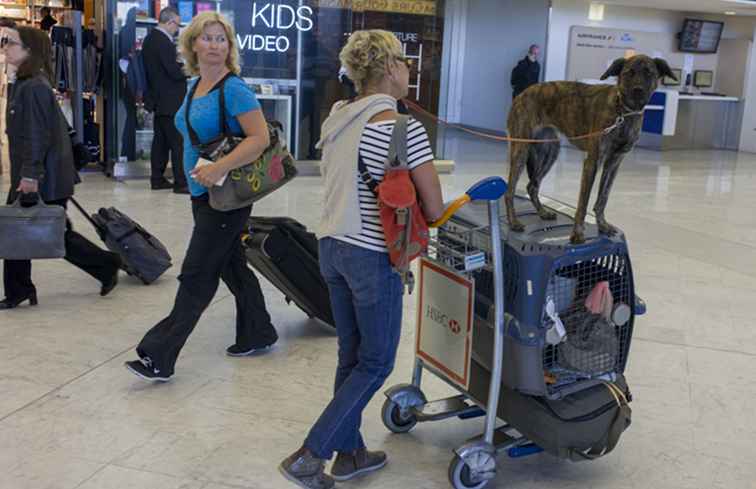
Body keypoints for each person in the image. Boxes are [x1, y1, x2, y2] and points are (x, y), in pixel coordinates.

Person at [279, 30, 444, 488]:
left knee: (351, 356)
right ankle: (311, 454)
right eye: (405, 63)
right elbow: (432, 207)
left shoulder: (338, 119)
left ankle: (350, 455)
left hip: (330, 247)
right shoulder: (402, 127)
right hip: (371, 256)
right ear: (390, 67)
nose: (410, 71)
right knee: (376, 362)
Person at [124, 12, 278, 382]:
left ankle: (160, 355)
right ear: (193, 43)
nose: (215, 45)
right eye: (207, 38)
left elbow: (260, 138)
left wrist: (217, 167)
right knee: (230, 264)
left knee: (196, 273)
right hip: (203, 192)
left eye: (221, 39)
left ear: (230, 46)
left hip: (226, 195)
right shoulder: (195, 86)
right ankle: (259, 331)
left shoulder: (234, 89)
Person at [1, 26, 121, 310]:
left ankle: (106, 264)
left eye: (9, 42)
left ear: (29, 49)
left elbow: (36, 136)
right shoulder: (26, 82)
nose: (4, 46)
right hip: (39, 172)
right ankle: (20, 289)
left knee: (47, 232)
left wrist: (30, 176)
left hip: (42, 175)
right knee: (22, 229)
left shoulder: (33, 88)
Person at [142, 7, 189, 193]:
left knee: (160, 142)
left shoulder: (150, 39)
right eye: (176, 25)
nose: (177, 29)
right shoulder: (163, 42)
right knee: (178, 142)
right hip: (171, 100)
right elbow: (173, 71)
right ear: (169, 22)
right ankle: (181, 182)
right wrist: (189, 69)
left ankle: (158, 178)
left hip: (159, 98)